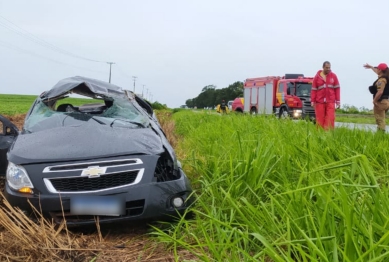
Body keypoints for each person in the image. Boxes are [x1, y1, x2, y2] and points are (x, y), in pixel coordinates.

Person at [311, 61, 341, 130]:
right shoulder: (317, 77)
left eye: (329, 67)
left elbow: (337, 89)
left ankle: (328, 134)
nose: (328, 69)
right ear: (323, 67)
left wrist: (338, 101)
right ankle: (320, 134)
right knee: (320, 119)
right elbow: (313, 90)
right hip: (319, 101)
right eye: (326, 67)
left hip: (330, 101)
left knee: (330, 118)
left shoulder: (333, 76)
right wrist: (312, 101)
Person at [363, 62, 389, 132]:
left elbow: (380, 92)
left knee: (380, 121)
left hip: (380, 102)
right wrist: (371, 67)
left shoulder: (381, 80)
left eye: (377, 68)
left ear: (380, 70)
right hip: (386, 102)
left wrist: (374, 101)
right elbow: (377, 72)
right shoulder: (386, 77)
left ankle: (380, 136)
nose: (376, 69)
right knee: (382, 119)